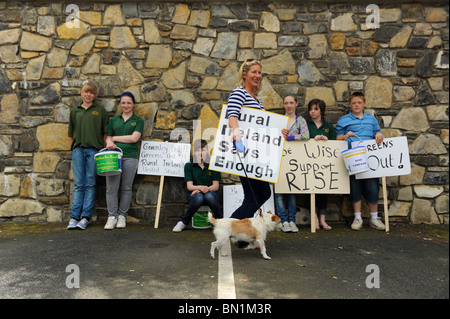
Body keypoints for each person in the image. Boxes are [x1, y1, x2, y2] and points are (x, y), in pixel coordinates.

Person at [336, 92, 385, 231]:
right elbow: (337, 138)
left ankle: (374, 218)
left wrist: (379, 133)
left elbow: (378, 132)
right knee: (355, 188)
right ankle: (358, 218)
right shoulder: (343, 120)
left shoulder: (371, 119)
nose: (356, 105)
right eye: (354, 103)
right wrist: (346, 135)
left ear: (364, 104)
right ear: (350, 105)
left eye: (359, 102)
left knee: (372, 188)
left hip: (370, 159)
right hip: (353, 160)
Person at [67, 82, 108, 230]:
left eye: (91, 93)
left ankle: (85, 217)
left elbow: (105, 132)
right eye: (86, 92)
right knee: (79, 184)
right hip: (78, 150)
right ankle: (73, 217)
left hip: (94, 151)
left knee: (90, 183)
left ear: (95, 95)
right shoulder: (75, 111)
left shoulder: (100, 111)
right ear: (81, 93)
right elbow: (71, 134)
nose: (88, 95)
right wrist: (77, 147)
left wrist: (103, 149)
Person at [104, 92, 144, 230]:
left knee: (126, 188)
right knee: (111, 188)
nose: (126, 105)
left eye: (128, 102)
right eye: (123, 102)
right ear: (120, 104)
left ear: (133, 104)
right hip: (113, 157)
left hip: (131, 157)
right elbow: (108, 138)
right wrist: (110, 141)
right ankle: (112, 216)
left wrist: (115, 138)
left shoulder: (138, 120)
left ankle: (122, 216)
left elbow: (134, 138)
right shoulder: (113, 120)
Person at [275, 94, 309, 233]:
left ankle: (292, 221)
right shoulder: (278, 120)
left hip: (294, 161)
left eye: (291, 103)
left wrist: (289, 137)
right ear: (283, 105)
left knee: (292, 191)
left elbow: (306, 136)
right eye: (286, 103)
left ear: (296, 104)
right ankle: (283, 221)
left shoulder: (300, 120)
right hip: (279, 159)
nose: (288, 105)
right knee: (279, 192)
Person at [173, 139, 222, 232]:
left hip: (210, 192)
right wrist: (200, 189)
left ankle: (220, 221)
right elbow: (189, 186)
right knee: (199, 197)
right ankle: (183, 222)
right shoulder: (189, 165)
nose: (200, 153)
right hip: (194, 195)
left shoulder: (213, 164)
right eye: (198, 150)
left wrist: (202, 189)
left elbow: (215, 186)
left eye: (203, 150)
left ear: (207, 151)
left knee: (210, 196)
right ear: (194, 152)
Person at [306, 98, 336, 231]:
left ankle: (323, 220)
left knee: (323, 192)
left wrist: (326, 140)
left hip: (325, 165)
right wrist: (313, 139)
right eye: (311, 109)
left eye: (316, 109)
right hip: (308, 164)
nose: (313, 112)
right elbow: (301, 140)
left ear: (321, 111)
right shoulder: (306, 125)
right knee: (310, 190)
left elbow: (335, 144)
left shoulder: (328, 127)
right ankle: (315, 219)